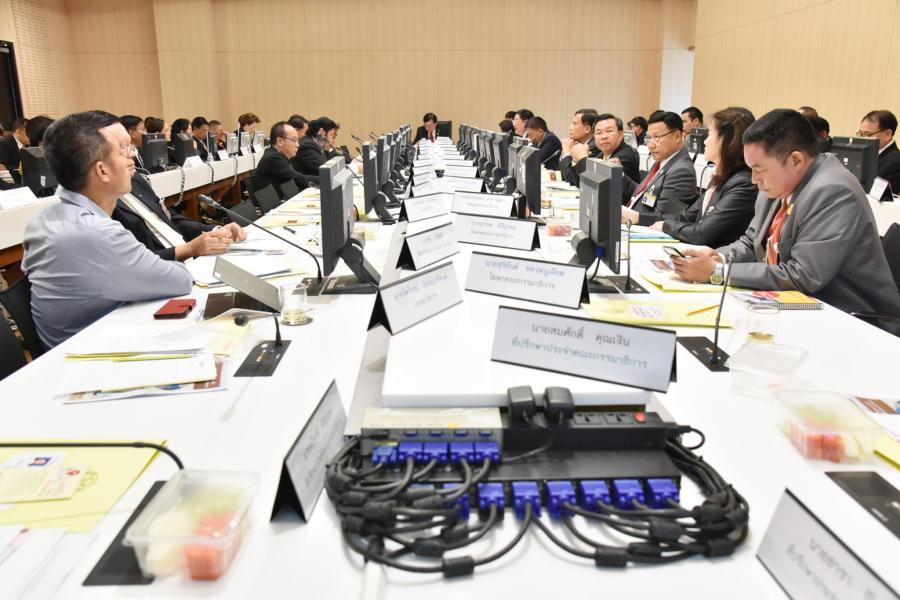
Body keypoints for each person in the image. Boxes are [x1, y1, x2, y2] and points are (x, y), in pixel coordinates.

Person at [671, 109, 900, 333]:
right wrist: (717, 257)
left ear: (795, 160)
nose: (754, 179)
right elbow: (751, 242)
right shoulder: (779, 183)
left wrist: (718, 272)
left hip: (851, 320)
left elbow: (803, 275)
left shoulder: (833, 191)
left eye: (759, 169)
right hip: (794, 306)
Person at [21, 111, 193, 348]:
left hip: (77, 347)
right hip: (94, 355)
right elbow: (180, 280)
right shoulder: (97, 232)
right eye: (121, 152)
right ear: (102, 171)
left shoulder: (43, 220)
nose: (131, 156)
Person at [650, 107, 757, 247]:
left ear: (727, 140)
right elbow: (686, 217)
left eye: (710, 134)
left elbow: (702, 234)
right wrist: (654, 223)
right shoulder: (721, 177)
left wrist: (665, 226)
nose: (705, 141)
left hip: (717, 256)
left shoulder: (743, 184)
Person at [113, 171, 245, 261]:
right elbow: (131, 262)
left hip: (194, 260)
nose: (132, 153)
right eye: (122, 148)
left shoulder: (135, 179)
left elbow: (169, 218)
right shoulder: (105, 207)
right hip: (164, 273)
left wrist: (215, 231)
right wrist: (189, 249)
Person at [621, 110, 697, 225]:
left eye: (657, 137)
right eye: (648, 138)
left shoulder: (681, 171)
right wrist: (621, 176)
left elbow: (665, 219)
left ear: (677, 136)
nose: (651, 145)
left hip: (642, 230)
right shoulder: (663, 160)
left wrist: (634, 217)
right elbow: (645, 194)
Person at [254, 121, 309, 193]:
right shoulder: (273, 158)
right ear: (280, 141)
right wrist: (322, 180)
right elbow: (297, 178)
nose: (298, 145)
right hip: (275, 200)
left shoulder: (277, 154)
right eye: (294, 140)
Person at [858, 110, 900, 192]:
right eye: (861, 134)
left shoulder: (896, 162)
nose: (862, 139)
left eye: (868, 134)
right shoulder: (863, 154)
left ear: (887, 134)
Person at [559, 110, 601, 187]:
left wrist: (566, 152)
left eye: (574, 124)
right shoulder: (577, 145)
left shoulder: (593, 147)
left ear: (587, 129)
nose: (570, 128)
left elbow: (570, 178)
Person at [593, 113, 640, 182]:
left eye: (609, 131)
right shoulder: (602, 154)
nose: (604, 136)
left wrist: (582, 159)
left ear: (620, 134)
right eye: (599, 132)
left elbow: (598, 182)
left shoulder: (624, 157)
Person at [0, 117, 28, 184]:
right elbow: (4, 167)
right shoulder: (4, 144)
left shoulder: (29, 144)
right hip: (14, 184)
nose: (31, 135)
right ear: (19, 131)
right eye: (28, 132)